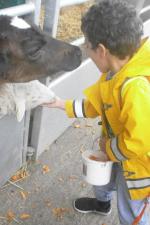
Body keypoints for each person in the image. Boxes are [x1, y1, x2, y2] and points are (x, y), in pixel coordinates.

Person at [43, 0, 150, 224]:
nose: (87, 53)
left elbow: (140, 141)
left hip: (138, 166)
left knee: (131, 209)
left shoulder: (135, 87)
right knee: (103, 179)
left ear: (101, 50)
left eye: (87, 47)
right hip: (117, 150)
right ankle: (102, 204)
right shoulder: (114, 73)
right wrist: (62, 104)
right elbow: (98, 105)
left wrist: (109, 148)